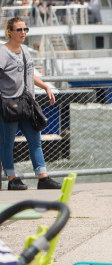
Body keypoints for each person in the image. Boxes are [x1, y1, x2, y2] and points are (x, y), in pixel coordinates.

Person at [0, 17, 61, 190]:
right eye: (19, 29)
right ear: (9, 31)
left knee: (36, 140)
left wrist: (45, 86)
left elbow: (30, 74)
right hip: (9, 105)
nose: (23, 33)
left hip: (27, 104)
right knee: (7, 143)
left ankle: (43, 177)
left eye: (25, 29)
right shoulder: (3, 53)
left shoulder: (25, 51)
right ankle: (12, 179)